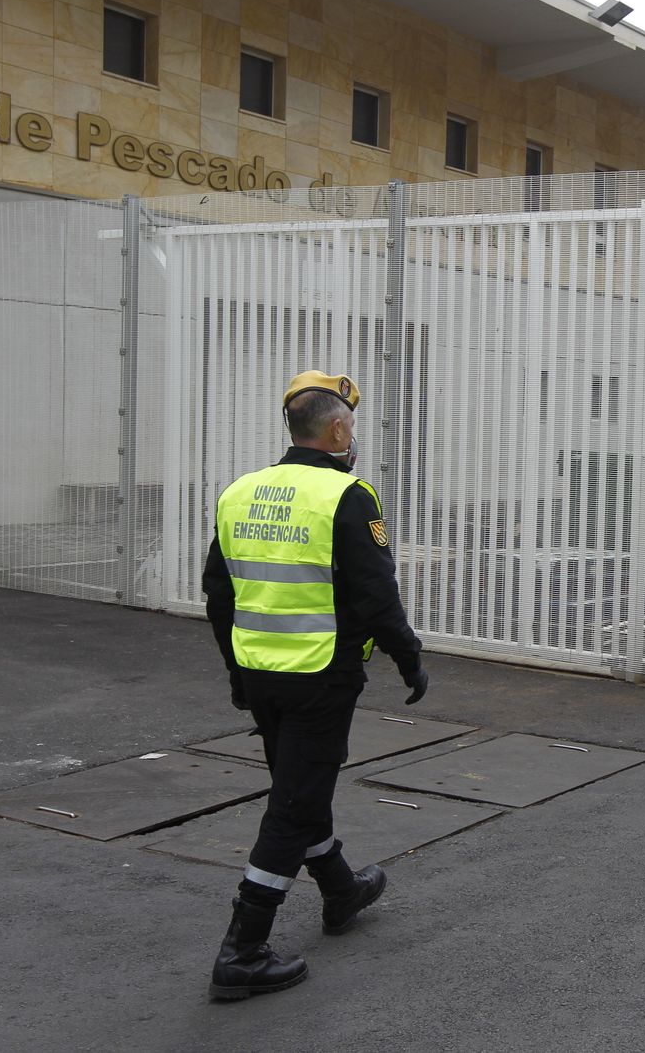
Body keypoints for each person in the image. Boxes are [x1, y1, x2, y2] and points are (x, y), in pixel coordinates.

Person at [201, 370, 428, 999]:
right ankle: (241, 952)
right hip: (320, 676)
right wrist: (409, 660)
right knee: (294, 803)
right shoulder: (348, 496)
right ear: (335, 430)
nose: (352, 437)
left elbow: (219, 594)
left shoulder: (239, 492)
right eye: (350, 427)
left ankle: (339, 889)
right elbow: (377, 596)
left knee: (300, 784)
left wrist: (236, 672)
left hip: (259, 674)